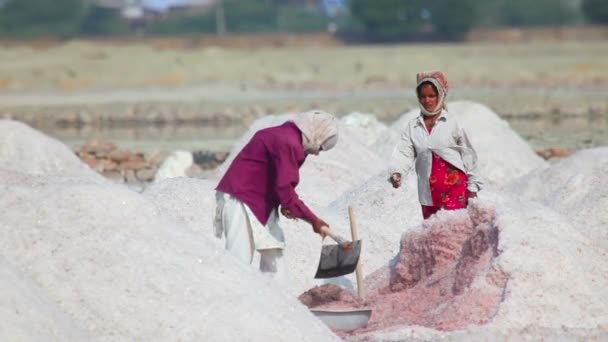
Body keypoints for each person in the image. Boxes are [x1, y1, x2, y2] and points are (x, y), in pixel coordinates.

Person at [213, 110, 339, 281]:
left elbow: (278, 181)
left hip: (260, 201)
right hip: (240, 197)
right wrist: (313, 220)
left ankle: (277, 301)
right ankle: (230, 298)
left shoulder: (292, 139)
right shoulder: (288, 142)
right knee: (239, 257)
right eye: (321, 146)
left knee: (274, 254)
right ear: (314, 133)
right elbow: (285, 188)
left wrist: (286, 205)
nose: (317, 152)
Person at [389, 71, 482, 219]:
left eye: (432, 96)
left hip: (455, 190)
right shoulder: (414, 126)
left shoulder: (453, 122)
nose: (428, 100)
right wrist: (397, 172)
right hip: (428, 193)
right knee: (434, 234)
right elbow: (404, 152)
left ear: (440, 96)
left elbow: (468, 153)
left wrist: (472, 186)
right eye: (423, 96)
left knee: (454, 231)